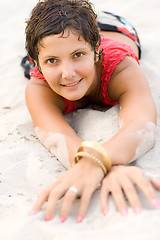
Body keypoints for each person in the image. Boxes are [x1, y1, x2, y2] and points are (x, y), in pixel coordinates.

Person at [24, 0, 160, 223]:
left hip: (115, 27)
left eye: (78, 55)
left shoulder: (122, 68)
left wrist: (94, 162)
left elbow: (141, 125)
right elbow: (60, 138)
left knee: (69, 36)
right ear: (37, 66)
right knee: (58, 40)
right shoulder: (39, 87)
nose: (68, 73)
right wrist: (109, 168)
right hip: (67, 35)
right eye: (51, 61)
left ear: (97, 51)